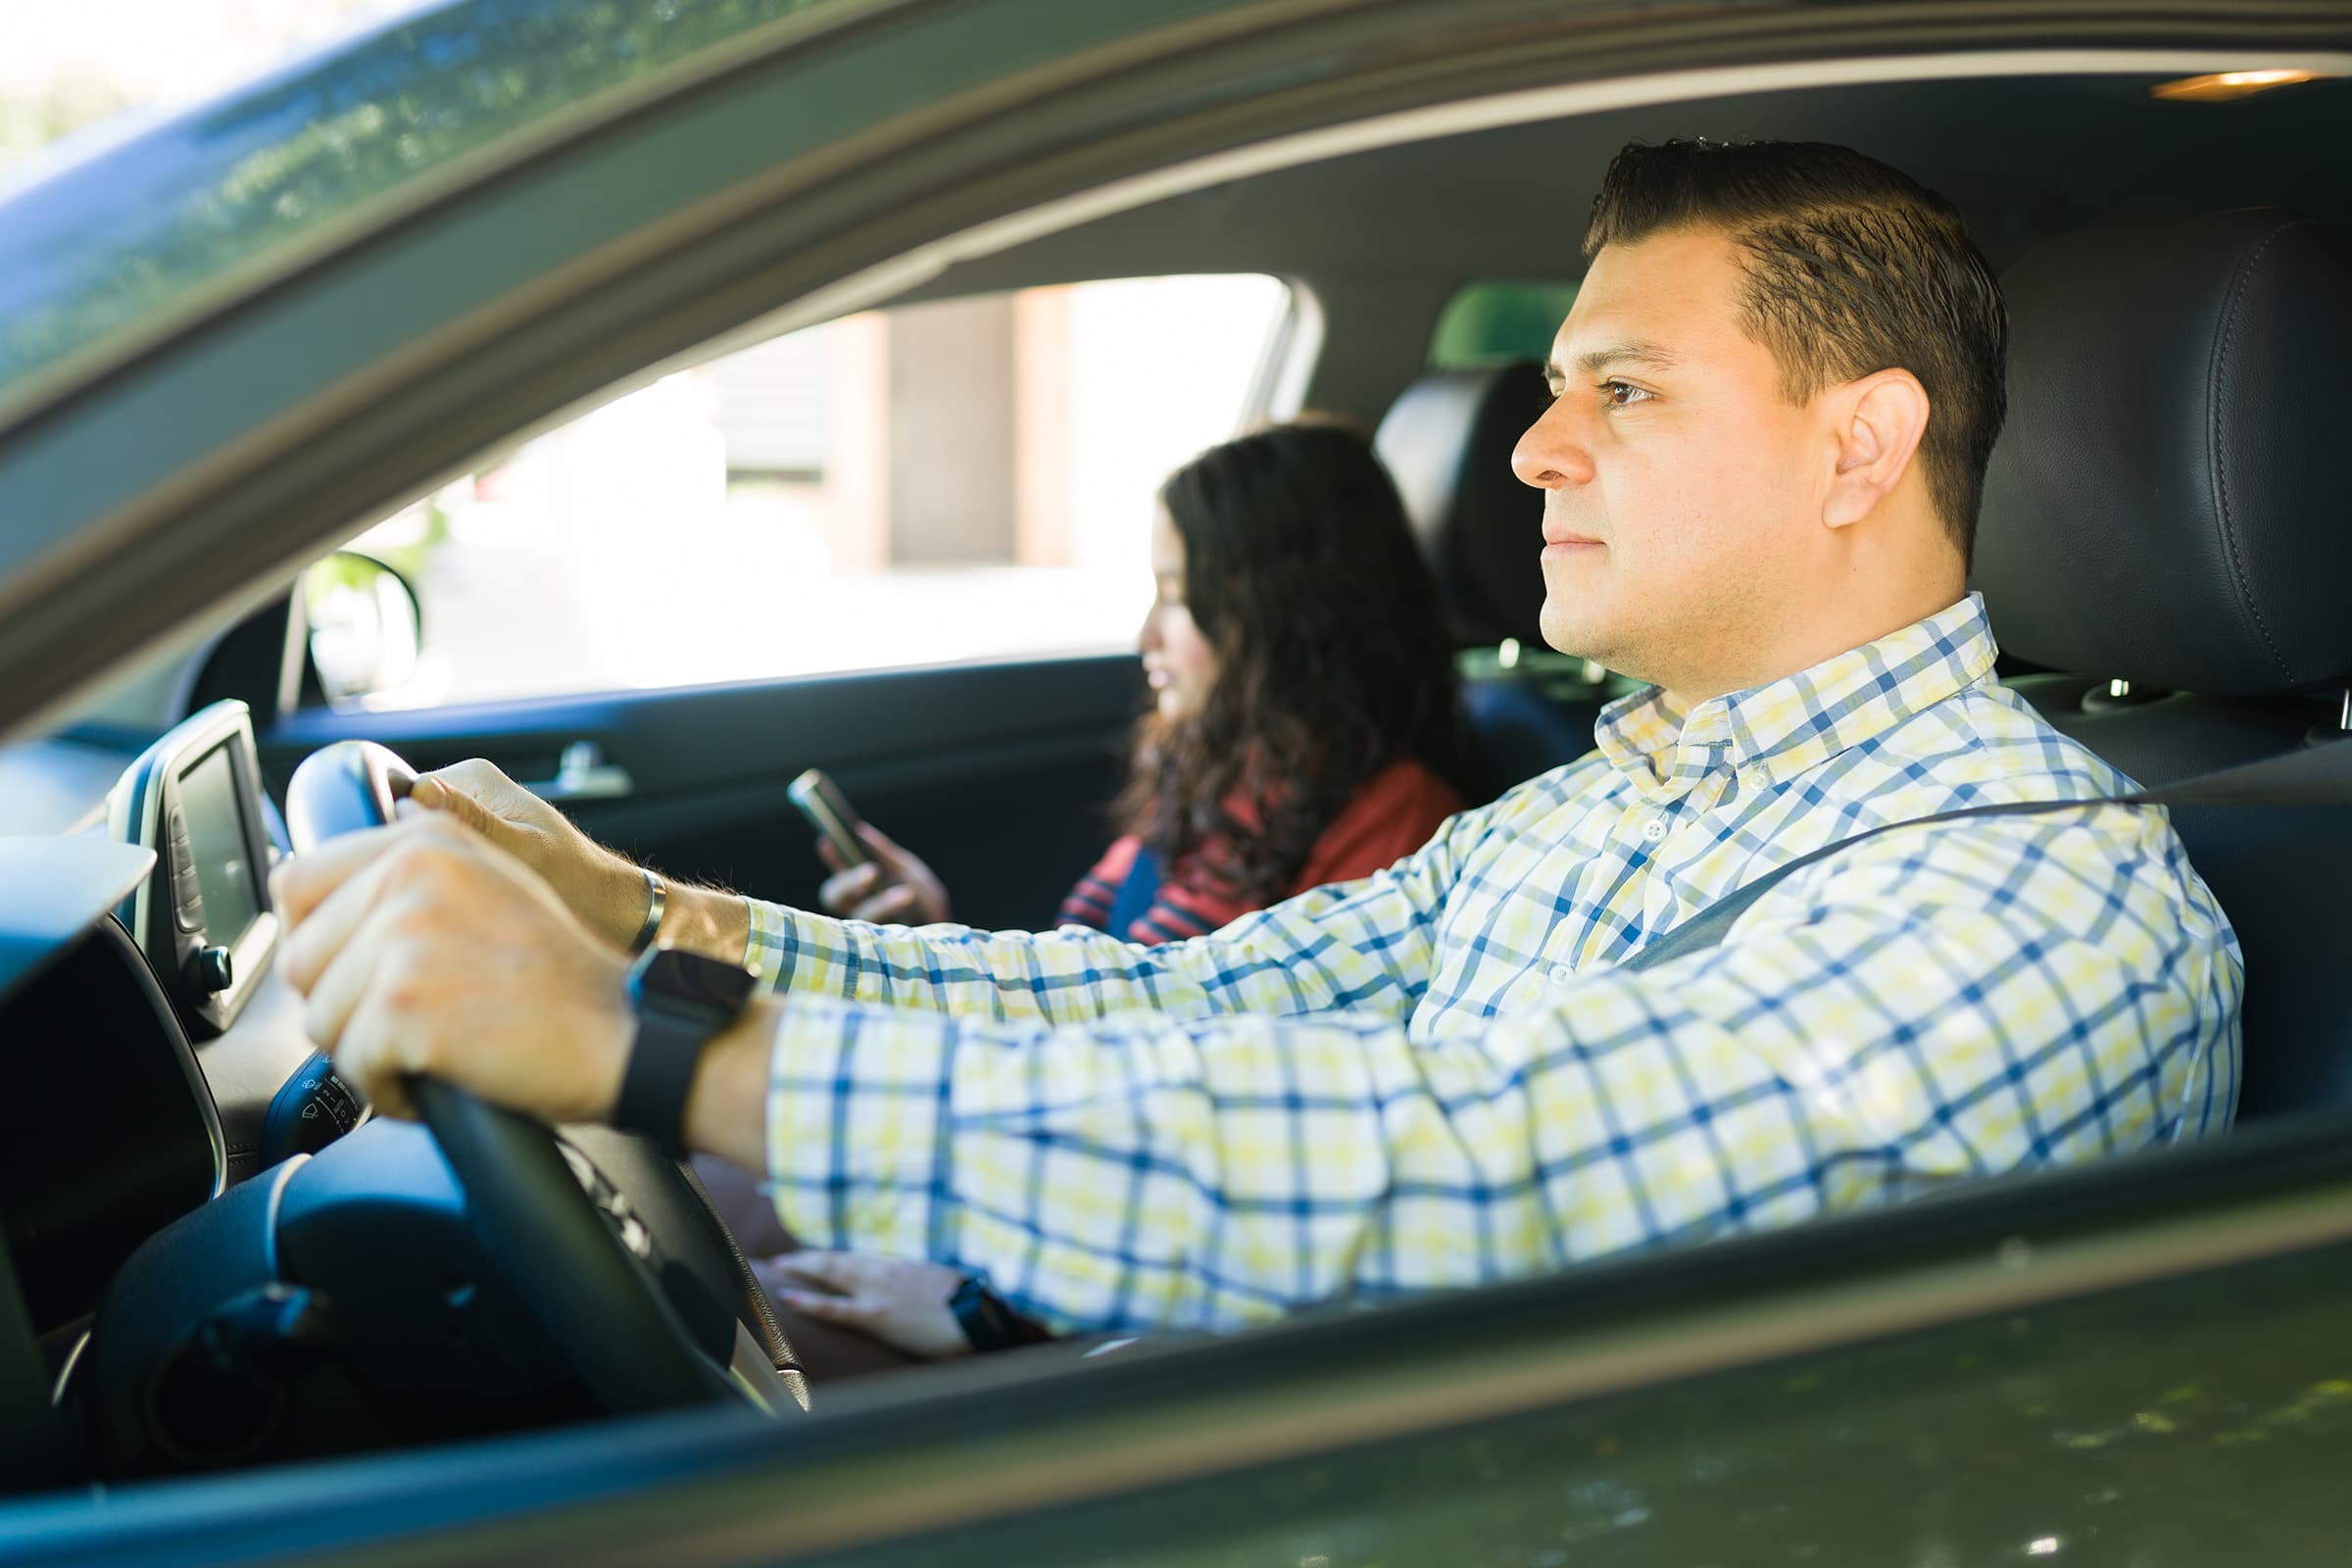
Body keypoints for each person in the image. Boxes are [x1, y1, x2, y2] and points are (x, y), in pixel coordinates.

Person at [272, 138, 2243, 1352]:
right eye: (1555, 389)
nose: (1536, 448)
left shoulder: (2048, 901)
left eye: (1620, 390)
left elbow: (1480, 1182)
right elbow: (1167, 1010)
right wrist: (636, 913)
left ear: (1860, 446)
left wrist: (653, 1047)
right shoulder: (1593, 801)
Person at [815, 421, 1465, 945]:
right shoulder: (1211, 770)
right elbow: (1083, 969)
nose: (1146, 635)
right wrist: (938, 935)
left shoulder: (1399, 821)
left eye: (1178, 596)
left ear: (1286, 614)